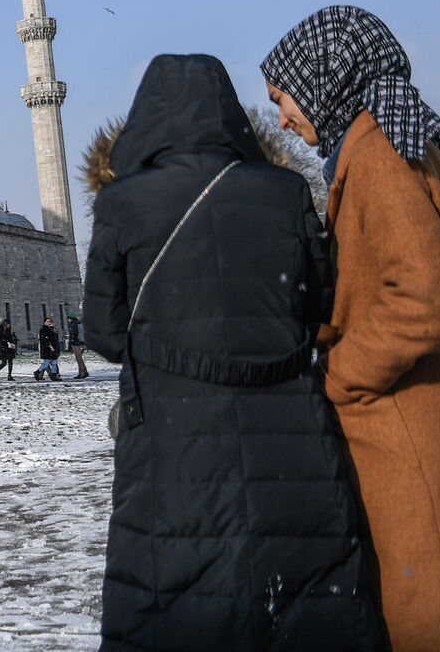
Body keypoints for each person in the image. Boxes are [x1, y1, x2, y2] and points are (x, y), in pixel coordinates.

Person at [263, 6, 440, 650]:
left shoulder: (376, 155)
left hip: (412, 444)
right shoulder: (399, 140)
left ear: (323, 78)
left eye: (284, 98)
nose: (282, 117)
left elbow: (420, 302)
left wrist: (337, 378)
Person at [84, 53, 378, 649]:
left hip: (172, 447)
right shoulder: (287, 191)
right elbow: (320, 304)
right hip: (289, 441)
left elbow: (103, 332)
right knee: (302, 604)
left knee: (176, 603)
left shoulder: (123, 204)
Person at [36, 316, 61, 381]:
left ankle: (54, 375)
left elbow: (55, 338)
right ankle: (37, 372)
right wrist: (49, 345)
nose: (49, 323)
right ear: (45, 322)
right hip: (46, 349)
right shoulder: (43, 330)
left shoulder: (53, 329)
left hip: (53, 349)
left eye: (50, 321)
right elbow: (43, 340)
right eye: (48, 321)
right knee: (46, 363)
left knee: (54, 363)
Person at [66, 310, 90, 379]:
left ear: (70, 318)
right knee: (80, 359)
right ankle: (84, 372)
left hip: (77, 344)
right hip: (83, 343)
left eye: (68, 318)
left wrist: (70, 344)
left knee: (79, 359)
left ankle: (82, 373)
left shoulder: (72, 325)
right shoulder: (79, 323)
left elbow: (72, 335)